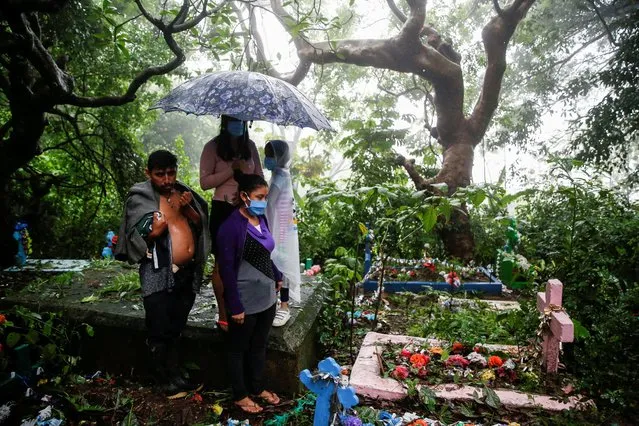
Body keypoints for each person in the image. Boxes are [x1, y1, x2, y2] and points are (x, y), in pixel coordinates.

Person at [115, 150, 210, 395]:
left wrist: (188, 209)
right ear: (148, 173)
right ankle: (161, 378)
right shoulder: (142, 198)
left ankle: (175, 374)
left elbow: (200, 223)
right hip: (158, 273)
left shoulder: (183, 192)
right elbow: (137, 236)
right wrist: (155, 233)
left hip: (186, 273)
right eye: (160, 174)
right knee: (159, 326)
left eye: (171, 173)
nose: (167, 180)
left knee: (177, 326)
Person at [216, 171, 282, 413]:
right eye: (259, 196)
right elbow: (226, 270)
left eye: (265, 197)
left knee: (259, 345)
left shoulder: (260, 219)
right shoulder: (230, 228)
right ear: (244, 196)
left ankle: (256, 387)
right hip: (245, 300)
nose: (263, 201)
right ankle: (240, 395)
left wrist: (276, 274)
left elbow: (264, 252)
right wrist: (234, 305)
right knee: (238, 349)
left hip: (266, 298)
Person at [199, 115, 263, 332]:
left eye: (243, 120)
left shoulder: (250, 146)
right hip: (223, 208)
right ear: (226, 121)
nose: (239, 124)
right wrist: (231, 169)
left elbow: (260, 179)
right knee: (222, 262)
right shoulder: (212, 147)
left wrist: (247, 181)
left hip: (247, 208)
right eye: (234, 120)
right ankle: (223, 312)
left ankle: (243, 306)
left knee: (247, 259)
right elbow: (205, 183)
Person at [263, 140, 301, 327]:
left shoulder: (279, 177)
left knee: (281, 265)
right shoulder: (280, 174)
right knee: (278, 264)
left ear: (279, 157)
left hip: (280, 230)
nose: (267, 160)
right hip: (282, 228)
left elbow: (270, 204)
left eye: (270, 156)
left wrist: (265, 227)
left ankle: (284, 306)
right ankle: (278, 304)